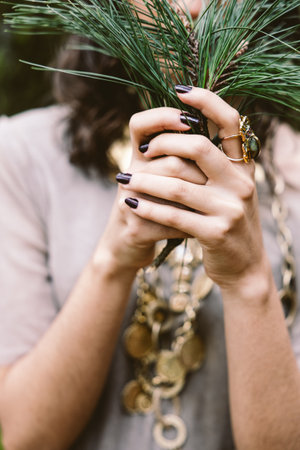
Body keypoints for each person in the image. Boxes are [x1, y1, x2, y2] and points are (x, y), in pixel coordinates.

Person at [0, 1, 300, 449]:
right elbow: (28, 435)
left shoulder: (292, 179)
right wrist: (114, 258)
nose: (194, 10)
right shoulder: (22, 159)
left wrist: (248, 278)